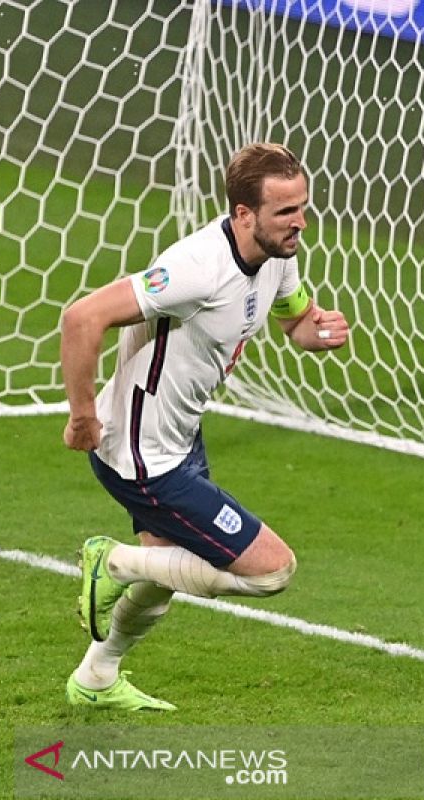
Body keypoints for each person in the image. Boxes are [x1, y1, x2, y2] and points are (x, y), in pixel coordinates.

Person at [59, 143, 350, 711]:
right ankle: (109, 560)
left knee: (164, 572)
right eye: (285, 211)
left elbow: (294, 321)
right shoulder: (196, 269)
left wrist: (320, 332)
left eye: (302, 206)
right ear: (244, 214)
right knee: (271, 572)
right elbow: (81, 317)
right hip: (142, 457)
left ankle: (96, 677)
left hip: (178, 436)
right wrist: (83, 416)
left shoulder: (279, 252)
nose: (301, 222)